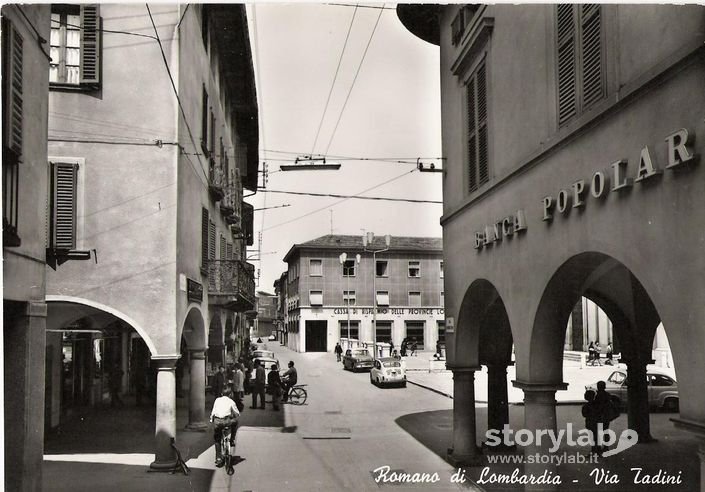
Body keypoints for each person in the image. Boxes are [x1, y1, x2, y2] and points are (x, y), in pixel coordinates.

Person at [210, 386, 239, 467]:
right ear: (230, 394)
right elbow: (237, 414)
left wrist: (211, 420)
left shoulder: (217, 400)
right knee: (235, 422)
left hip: (218, 422)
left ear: (221, 394)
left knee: (217, 439)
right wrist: (233, 415)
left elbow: (213, 411)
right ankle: (232, 439)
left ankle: (218, 458)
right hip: (227, 421)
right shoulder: (231, 402)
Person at [593, 381, 619, 453]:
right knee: (606, 431)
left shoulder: (598, 396)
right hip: (606, 416)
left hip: (600, 416)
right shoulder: (607, 395)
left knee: (599, 432)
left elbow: (598, 406)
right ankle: (606, 447)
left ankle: (598, 447)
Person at [582, 390, 599, 454]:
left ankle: (593, 450)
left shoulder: (586, 406)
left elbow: (584, 414)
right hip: (597, 422)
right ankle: (597, 450)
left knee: (592, 437)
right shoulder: (597, 404)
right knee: (597, 437)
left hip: (590, 422)